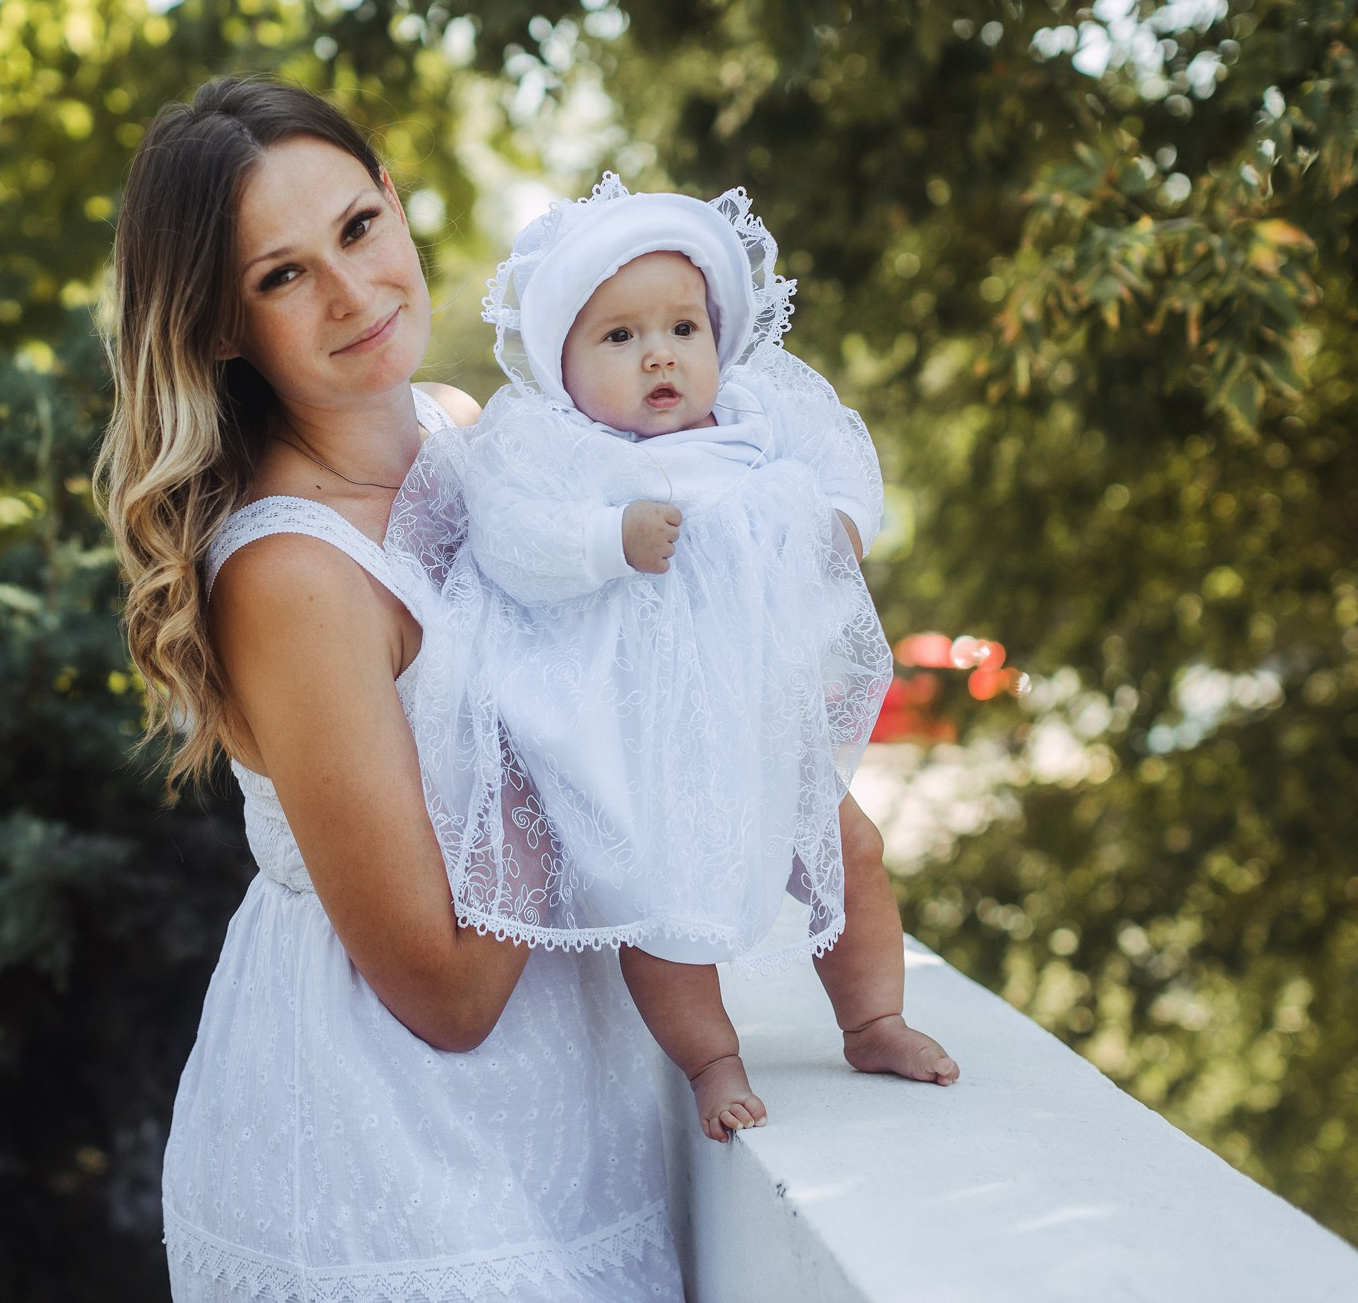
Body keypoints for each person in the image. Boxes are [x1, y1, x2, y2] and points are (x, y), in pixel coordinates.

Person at [96, 81, 683, 1300]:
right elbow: (447, 992)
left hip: (574, 1099)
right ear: (220, 326)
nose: (353, 292)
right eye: (282, 276)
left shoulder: (460, 431)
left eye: (359, 228)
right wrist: (578, 716)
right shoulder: (293, 574)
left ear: (396, 203)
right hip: (394, 1151)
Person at [392, 177, 958, 1144]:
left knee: (851, 852)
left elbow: (841, 454)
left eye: (683, 328)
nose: (659, 352)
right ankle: (711, 1059)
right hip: (642, 754)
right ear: (563, 365)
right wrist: (606, 539)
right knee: (658, 915)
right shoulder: (556, 449)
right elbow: (508, 538)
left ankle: (873, 1021)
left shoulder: (756, 416)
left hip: (760, 728)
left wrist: (840, 522)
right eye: (619, 336)